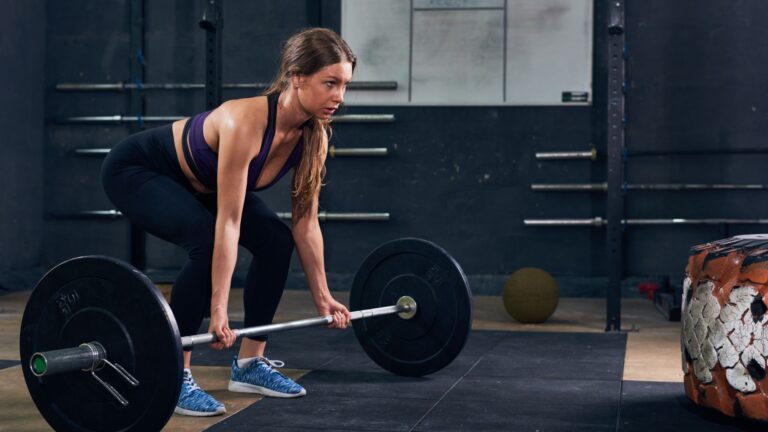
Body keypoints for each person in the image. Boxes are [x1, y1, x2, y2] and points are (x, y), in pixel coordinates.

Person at [101, 27, 355, 416]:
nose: (339, 96)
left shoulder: (313, 137)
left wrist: (322, 295)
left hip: (200, 186)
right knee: (206, 241)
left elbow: (306, 223)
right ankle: (175, 374)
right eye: (330, 83)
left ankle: (251, 364)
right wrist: (219, 309)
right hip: (138, 171)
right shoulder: (245, 121)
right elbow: (229, 223)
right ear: (297, 77)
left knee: (276, 240)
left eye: (345, 85)